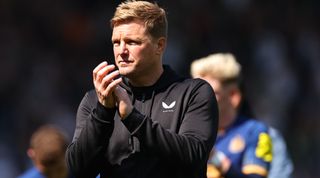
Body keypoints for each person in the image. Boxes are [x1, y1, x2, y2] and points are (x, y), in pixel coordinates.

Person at [66, 1, 219, 178]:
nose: (121, 51)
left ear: (160, 45)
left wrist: (133, 119)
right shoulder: (96, 100)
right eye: (116, 42)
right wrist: (103, 113)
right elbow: (76, 171)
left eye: (132, 42)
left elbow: (194, 156)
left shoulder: (193, 93)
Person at [191, 53, 293, 178]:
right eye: (195, 92)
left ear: (233, 96)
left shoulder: (256, 133)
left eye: (210, 92)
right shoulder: (188, 134)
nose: (199, 99)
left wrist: (214, 158)